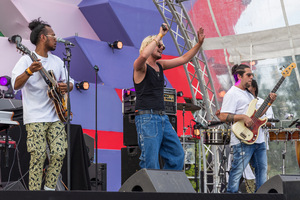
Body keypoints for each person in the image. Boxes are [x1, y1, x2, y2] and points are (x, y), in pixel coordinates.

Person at [11, 18, 74, 191]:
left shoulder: (58, 62)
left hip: (56, 115)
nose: (56, 39)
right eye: (53, 35)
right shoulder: (26, 60)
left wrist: (66, 86)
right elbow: (15, 84)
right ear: (43, 37)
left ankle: (49, 190)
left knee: (59, 153)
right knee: (37, 156)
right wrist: (30, 71)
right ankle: (34, 194)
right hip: (35, 117)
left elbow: (71, 82)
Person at [133, 23, 205, 169]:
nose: (162, 48)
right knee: (150, 162)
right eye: (159, 46)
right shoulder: (140, 67)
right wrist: (159, 35)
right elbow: (143, 55)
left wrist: (199, 43)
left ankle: (166, 188)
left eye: (163, 46)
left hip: (162, 117)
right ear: (149, 45)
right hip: (147, 117)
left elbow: (184, 59)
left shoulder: (161, 65)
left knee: (177, 155)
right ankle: (152, 191)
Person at [217, 64, 276, 193]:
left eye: (252, 75)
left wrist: (270, 102)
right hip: (242, 139)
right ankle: (231, 194)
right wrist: (243, 117)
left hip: (258, 138)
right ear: (239, 76)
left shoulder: (249, 94)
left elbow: (257, 115)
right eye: (248, 75)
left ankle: (260, 195)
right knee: (237, 171)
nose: (251, 77)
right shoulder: (232, 94)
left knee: (262, 171)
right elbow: (222, 116)